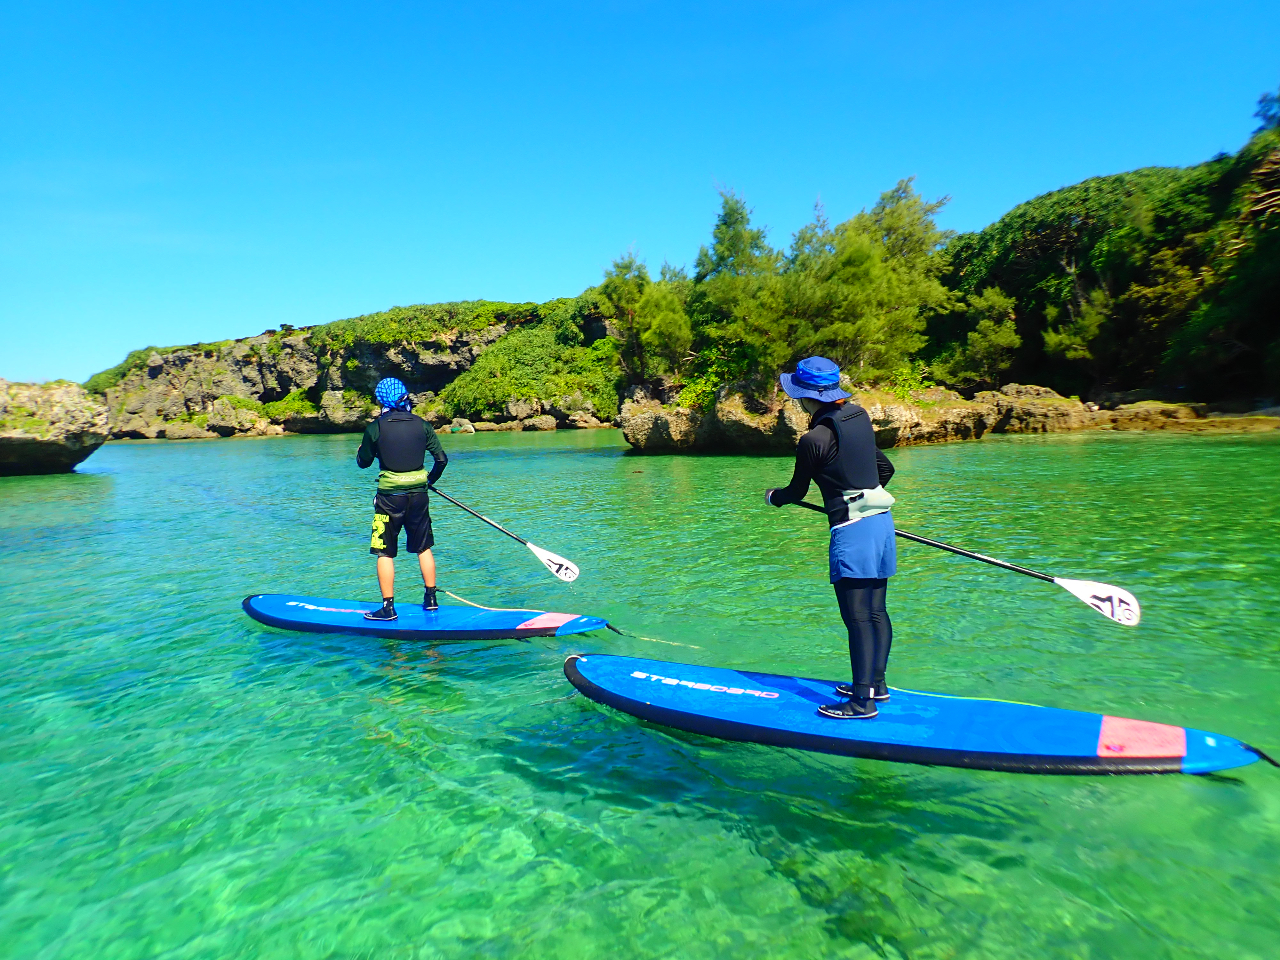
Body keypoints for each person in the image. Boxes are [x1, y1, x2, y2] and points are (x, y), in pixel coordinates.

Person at [765, 356, 897, 719]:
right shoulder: (858, 418)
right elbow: (885, 468)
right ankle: (876, 685)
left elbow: (795, 491)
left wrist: (773, 497)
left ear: (805, 396)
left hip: (852, 533)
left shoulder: (813, 439)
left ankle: (861, 702)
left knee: (857, 617)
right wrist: (861, 496)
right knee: (875, 611)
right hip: (882, 523)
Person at [356, 377, 449, 620]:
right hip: (419, 495)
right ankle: (431, 599)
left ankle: (388, 608)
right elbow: (441, 460)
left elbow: (363, 463)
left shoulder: (375, 427)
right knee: (423, 547)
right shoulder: (422, 425)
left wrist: (362, 449)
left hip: (389, 498)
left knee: (384, 552)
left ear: (381, 400)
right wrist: (429, 481)